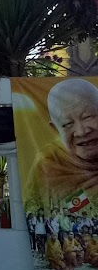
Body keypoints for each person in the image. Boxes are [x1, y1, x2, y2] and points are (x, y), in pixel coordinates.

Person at [25, 78, 98, 217]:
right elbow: (37, 212)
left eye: (88, 117)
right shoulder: (50, 163)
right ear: (55, 129)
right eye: (67, 124)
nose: (81, 131)